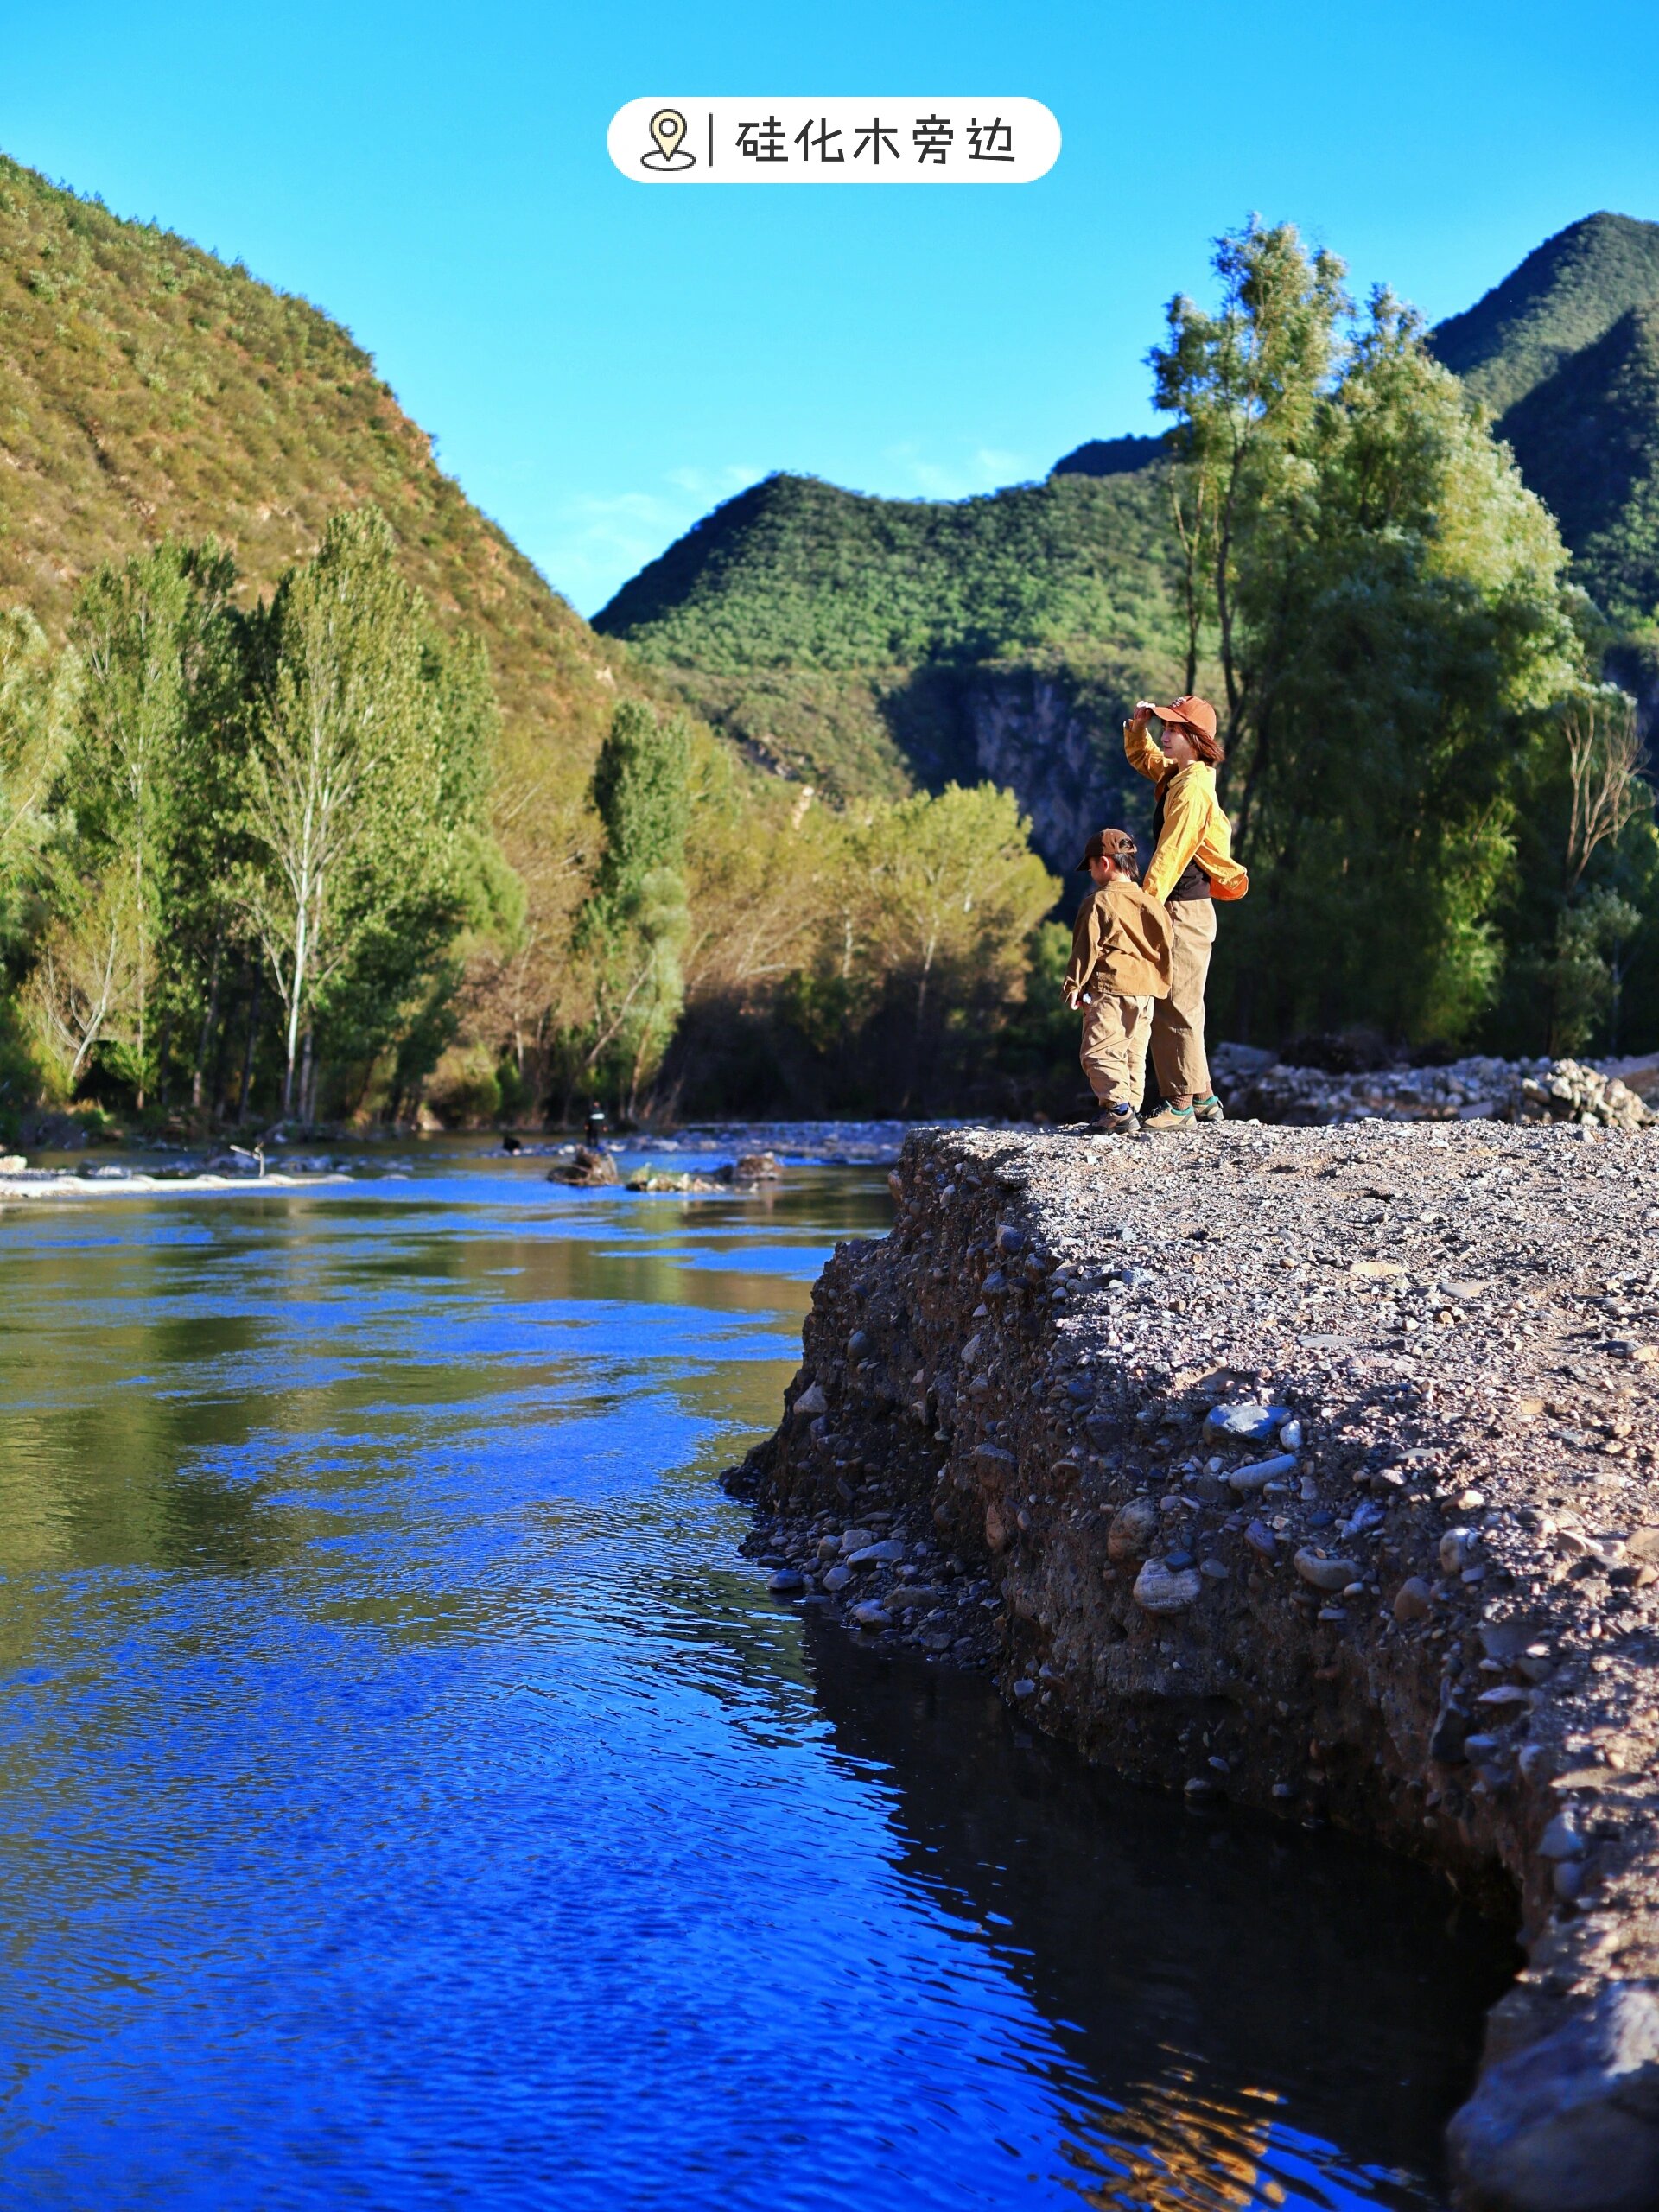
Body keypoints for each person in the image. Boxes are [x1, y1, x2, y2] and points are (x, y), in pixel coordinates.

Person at [1124, 695, 1249, 1130]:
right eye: (1165, 725)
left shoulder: (1193, 789)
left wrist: (1142, 906)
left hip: (1182, 910)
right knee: (1183, 1004)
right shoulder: (1183, 775)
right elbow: (1145, 759)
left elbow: (1171, 854)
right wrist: (1138, 726)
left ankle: (1179, 1104)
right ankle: (1204, 1100)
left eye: (1173, 728)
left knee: (1174, 1004)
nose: (1166, 732)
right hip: (1184, 908)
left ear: (1196, 740)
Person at [1061, 827, 1172, 1135]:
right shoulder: (1152, 903)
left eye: (1092, 865)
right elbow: (1165, 947)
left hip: (1113, 988)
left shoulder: (1098, 903)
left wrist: (1073, 985)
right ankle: (1130, 1108)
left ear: (1106, 863)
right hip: (1146, 991)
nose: (1091, 872)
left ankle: (1118, 1110)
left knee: (1097, 1051)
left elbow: (1086, 948)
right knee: (1132, 1053)